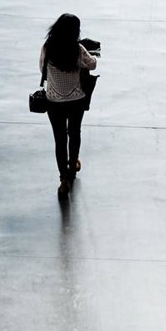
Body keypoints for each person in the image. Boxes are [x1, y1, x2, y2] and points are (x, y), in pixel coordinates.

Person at [40, 13, 98, 198]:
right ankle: (73, 166)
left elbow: (42, 69)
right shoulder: (77, 49)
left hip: (54, 101)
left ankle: (63, 179)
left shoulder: (48, 48)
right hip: (76, 100)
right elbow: (92, 64)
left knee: (59, 139)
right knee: (74, 133)